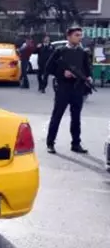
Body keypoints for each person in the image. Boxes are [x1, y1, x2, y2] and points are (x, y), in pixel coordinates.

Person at [45, 26, 91, 155]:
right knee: (57, 116)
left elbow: (87, 68)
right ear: (69, 37)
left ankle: (76, 144)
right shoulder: (60, 51)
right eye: (77, 35)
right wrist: (62, 73)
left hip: (78, 89)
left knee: (76, 118)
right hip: (63, 88)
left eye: (80, 35)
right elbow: (48, 67)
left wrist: (89, 77)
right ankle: (50, 143)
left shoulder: (83, 52)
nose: (79, 37)